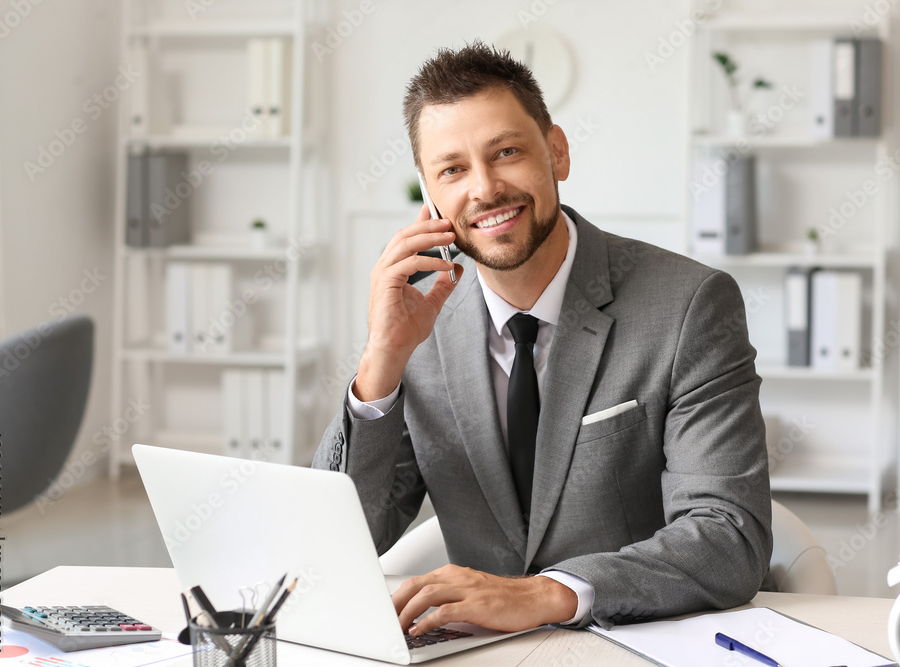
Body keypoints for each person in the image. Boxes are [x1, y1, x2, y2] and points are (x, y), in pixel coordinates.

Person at [314, 41, 772, 635]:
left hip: (639, 641)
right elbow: (340, 542)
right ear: (429, 195)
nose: (484, 189)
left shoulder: (689, 305)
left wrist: (546, 595)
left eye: (506, 152)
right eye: (452, 169)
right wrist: (382, 358)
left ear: (556, 152)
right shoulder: (418, 319)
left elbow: (727, 537)